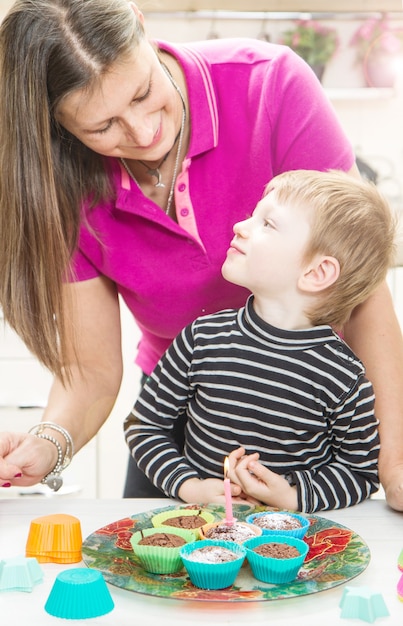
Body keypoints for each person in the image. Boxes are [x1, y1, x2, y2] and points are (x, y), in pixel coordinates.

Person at [0, 0, 402, 508]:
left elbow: (363, 290)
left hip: (306, 424)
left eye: (144, 93)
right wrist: (49, 443)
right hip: (185, 423)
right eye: (102, 128)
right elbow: (92, 371)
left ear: (142, 27)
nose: (144, 134)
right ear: (58, 127)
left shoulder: (268, 85)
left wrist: (395, 465)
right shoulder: (59, 186)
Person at [124, 169, 396, 513]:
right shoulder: (200, 338)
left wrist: (292, 497)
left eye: (268, 224)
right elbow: (144, 426)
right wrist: (189, 486)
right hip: (200, 536)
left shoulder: (344, 376)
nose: (241, 225)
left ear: (316, 273)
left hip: (292, 550)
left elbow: (360, 473)